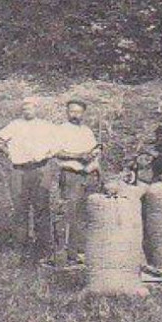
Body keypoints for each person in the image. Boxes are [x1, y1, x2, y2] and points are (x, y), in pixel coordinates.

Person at [0, 97, 61, 261]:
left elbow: (59, 142)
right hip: (19, 170)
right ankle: (20, 248)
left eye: (30, 108)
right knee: (20, 209)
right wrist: (6, 151)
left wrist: (49, 153)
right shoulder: (15, 125)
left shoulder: (46, 126)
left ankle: (43, 248)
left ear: (37, 109)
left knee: (41, 208)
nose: (27, 110)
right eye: (24, 108)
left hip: (40, 169)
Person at [53, 98, 101, 264]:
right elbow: (56, 152)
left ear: (83, 114)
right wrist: (79, 156)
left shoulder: (87, 131)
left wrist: (94, 158)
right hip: (71, 174)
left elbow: (95, 149)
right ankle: (70, 253)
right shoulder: (61, 130)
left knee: (87, 212)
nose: (75, 115)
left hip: (89, 175)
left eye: (78, 112)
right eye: (72, 111)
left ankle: (84, 250)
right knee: (70, 213)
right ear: (67, 112)